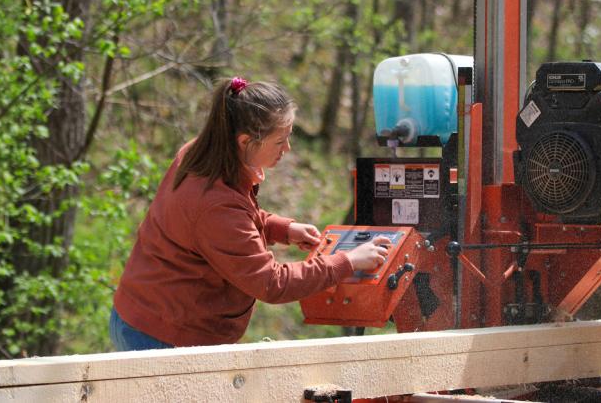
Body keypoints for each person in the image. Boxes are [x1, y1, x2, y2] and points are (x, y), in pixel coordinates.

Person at [110, 77, 391, 351]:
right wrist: (347, 261)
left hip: (140, 314)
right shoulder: (215, 203)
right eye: (279, 141)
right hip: (164, 336)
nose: (287, 149)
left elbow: (221, 226)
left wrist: (281, 228)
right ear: (245, 141)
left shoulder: (204, 152)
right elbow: (271, 283)